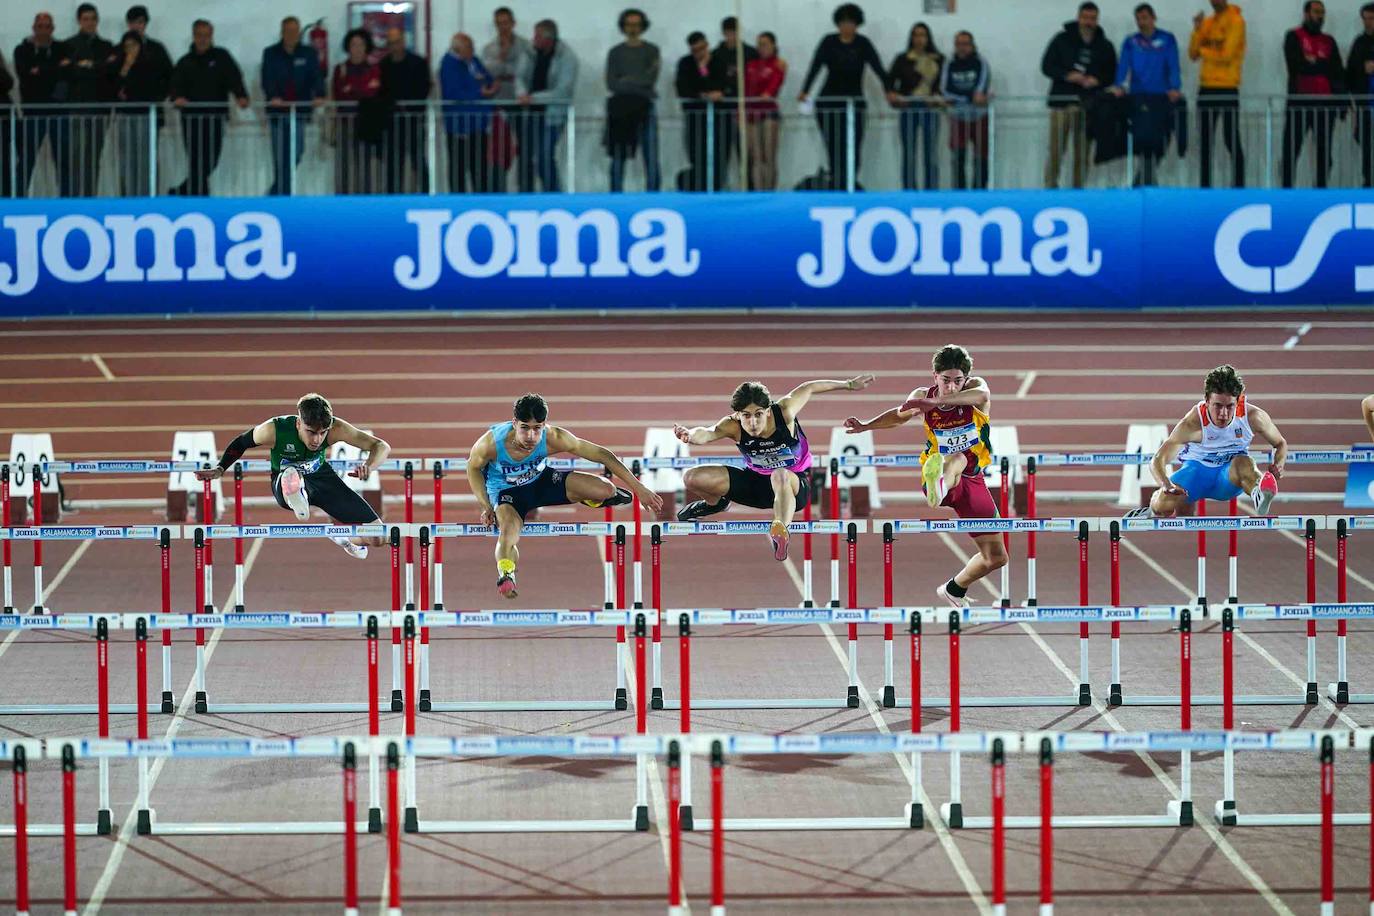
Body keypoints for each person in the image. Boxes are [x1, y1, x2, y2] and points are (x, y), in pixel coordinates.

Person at [842, 345, 1005, 609]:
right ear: (935, 376)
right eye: (945, 380)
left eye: (957, 381)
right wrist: (866, 425)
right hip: (941, 470)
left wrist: (935, 403)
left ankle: (954, 589)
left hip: (973, 480)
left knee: (996, 557)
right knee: (956, 458)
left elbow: (982, 393)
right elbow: (898, 415)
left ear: (966, 379)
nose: (952, 386)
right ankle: (937, 486)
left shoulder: (976, 390)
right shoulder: (921, 395)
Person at [466, 394, 662, 598]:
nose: (531, 437)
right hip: (507, 493)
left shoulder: (555, 437)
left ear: (545, 425)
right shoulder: (491, 443)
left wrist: (639, 488)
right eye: (525, 428)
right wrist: (486, 505)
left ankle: (591, 498)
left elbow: (602, 454)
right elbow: (472, 469)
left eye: (537, 429)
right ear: (514, 423)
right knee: (508, 530)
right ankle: (506, 574)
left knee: (606, 490)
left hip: (541, 481)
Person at [673, 374, 875, 561]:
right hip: (755, 485)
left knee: (779, 475)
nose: (752, 422)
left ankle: (780, 529)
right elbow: (708, 433)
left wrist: (848, 384)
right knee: (691, 477)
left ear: (768, 410)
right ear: (738, 415)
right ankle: (715, 504)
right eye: (746, 416)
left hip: (794, 487)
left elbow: (809, 387)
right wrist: (690, 436)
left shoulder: (784, 412)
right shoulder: (732, 425)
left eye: (758, 414)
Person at [195, 393, 391, 559]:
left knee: (378, 537)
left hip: (322, 478)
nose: (317, 439)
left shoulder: (336, 428)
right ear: (298, 423)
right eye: (311, 432)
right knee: (291, 475)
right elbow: (241, 442)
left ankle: (343, 537)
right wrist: (221, 468)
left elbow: (381, 446)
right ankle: (297, 492)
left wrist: (369, 466)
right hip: (283, 481)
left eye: (323, 433)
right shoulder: (274, 429)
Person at [1127, 365, 1284, 520]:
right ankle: (1153, 508)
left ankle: (1259, 493)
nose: (1223, 413)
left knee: (1245, 462)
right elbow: (1158, 459)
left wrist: (1278, 464)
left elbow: (1280, 444)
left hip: (1229, 478)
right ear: (1207, 400)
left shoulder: (1253, 417)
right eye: (1218, 406)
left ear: (1239, 400)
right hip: (1195, 476)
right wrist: (1166, 484)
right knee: (1164, 505)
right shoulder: (1193, 423)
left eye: (1230, 406)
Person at [798, 3, 887, 190]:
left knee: (854, 147)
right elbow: (816, 66)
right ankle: (837, 184)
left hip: (855, 103)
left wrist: (889, 89)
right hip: (828, 103)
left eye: (851, 23)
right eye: (843, 23)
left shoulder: (863, 43)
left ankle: (850, 184)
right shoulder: (828, 41)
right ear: (838, 24)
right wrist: (805, 90)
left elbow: (877, 67)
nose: (847, 27)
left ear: (857, 24)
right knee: (834, 147)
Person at [1040, 1, 1116, 189]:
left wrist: (1097, 81)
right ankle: (1050, 188)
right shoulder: (1061, 39)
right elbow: (1047, 66)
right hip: (1061, 104)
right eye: (1085, 18)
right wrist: (1067, 75)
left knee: (1083, 153)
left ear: (1097, 20)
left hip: (1089, 106)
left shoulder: (1105, 45)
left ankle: (1079, 191)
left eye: (1092, 19)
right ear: (1078, 18)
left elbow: (1112, 73)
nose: (1088, 22)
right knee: (1056, 150)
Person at [170, 20, 249, 196]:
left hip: (216, 117)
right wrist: (177, 97)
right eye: (199, 35)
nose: (203, 39)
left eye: (206, 35)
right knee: (196, 161)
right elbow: (175, 85)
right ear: (194, 36)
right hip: (191, 119)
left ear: (212, 36)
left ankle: (183, 190)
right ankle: (200, 196)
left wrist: (241, 96)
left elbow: (234, 78)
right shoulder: (185, 61)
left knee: (211, 160)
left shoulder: (222, 57)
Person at [1109, 3, 1181, 186]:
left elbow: (1173, 64)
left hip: (1162, 96)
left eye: (1145, 18)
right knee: (1144, 139)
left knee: (1163, 139)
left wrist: (1175, 86)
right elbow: (1123, 65)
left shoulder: (1167, 39)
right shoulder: (1131, 41)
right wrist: (1119, 85)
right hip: (1139, 96)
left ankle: (1142, 179)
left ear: (1153, 18)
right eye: (1139, 19)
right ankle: (1146, 181)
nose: (1142, 22)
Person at [1282, 0, 1344, 189]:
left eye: (1322, 13)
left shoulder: (1329, 41)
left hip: (1325, 106)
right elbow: (1295, 65)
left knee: (1324, 154)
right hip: (1299, 103)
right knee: (1291, 151)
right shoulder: (1293, 36)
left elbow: (1337, 71)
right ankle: (1286, 192)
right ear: (1306, 13)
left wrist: (1313, 62)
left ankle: (1321, 191)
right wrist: (1321, 65)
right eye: (1316, 12)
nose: (1320, 16)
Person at [112, 5, 171, 197]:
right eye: (133, 22)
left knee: (147, 157)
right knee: (127, 158)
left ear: (145, 24)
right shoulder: (119, 49)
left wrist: (156, 98)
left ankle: (149, 195)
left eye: (140, 22)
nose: (136, 26)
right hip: (125, 112)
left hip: (148, 111)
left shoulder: (156, 49)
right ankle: (128, 197)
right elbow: (110, 77)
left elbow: (169, 77)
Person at [262, 15, 324, 196]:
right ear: (282, 33)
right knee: (280, 157)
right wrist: (273, 96)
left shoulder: (308, 53)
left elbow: (316, 77)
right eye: (288, 31)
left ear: (299, 33)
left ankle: (276, 193)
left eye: (295, 31)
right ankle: (282, 194)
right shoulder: (271, 53)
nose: (291, 34)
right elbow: (267, 78)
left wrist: (320, 94)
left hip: (299, 112)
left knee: (297, 152)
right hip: (278, 113)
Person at [61, 3, 117, 197]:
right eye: (85, 19)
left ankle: (90, 197)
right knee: (74, 157)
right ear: (79, 21)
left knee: (94, 157)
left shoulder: (106, 46)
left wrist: (86, 67)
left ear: (97, 20)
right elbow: (67, 72)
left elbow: (109, 72)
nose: (90, 23)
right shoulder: (67, 45)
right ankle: (74, 198)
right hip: (75, 108)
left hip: (99, 109)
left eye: (93, 18)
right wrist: (95, 68)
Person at [515, 19, 577, 192]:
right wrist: (521, 93)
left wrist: (533, 98)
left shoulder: (568, 58)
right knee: (526, 156)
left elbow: (562, 91)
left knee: (544, 156)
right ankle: (526, 195)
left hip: (553, 115)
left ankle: (553, 195)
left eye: (537, 35)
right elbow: (519, 76)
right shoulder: (529, 52)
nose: (533, 39)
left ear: (549, 39)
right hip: (530, 114)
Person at [1189, 0, 1246, 188]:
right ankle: (1205, 186)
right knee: (1205, 141)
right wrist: (1197, 30)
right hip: (1206, 87)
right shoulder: (1207, 23)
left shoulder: (1236, 21)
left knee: (1231, 138)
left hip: (1227, 87)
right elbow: (1192, 53)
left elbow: (1226, 55)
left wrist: (1205, 48)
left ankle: (1239, 186)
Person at [605, 8, 662, 192]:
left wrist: (627, 79)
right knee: (618, 156)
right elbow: (612, 83)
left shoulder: (652, 50)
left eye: (636, 24)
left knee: (650, 155)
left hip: (645, 107)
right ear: (623, 26)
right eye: (629, 24)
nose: (633, 29)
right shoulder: (615, 52)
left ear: (643, 26)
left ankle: (653, 196)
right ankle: (615, 195)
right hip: (620, 109)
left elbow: (650, 79)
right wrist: (637, 81)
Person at [887, 22, 943, 191]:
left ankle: (931, 192)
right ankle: (909, 191)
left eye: (923, 35)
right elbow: (889, 81)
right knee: (909, 153)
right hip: (909, 106)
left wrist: (938, 97)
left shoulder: (939, 59)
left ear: (928, 38)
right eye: (916, 35)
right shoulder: (902, 59)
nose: (919, 39)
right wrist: (894, 95)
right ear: (911, 38)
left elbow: (943, 84)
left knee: (930, 153)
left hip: (930, 107)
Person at [480, 6, 531, 192]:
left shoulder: (526, 46)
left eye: (506, 23)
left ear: (513, 23)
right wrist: (502, 60)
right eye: (499, 24)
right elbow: (487, 72)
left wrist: (503, 71)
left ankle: (525, 189)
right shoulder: (489, 49)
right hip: (498, 103)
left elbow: (523, 72)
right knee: (498, 150)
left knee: (524, 147)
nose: (503, 27)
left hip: (520, 102)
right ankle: (497, 188)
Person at [14, 13, 64, 197]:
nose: (43, 30)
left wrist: (40, 70)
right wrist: (54, 69)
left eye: (47, 26)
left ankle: (67, 200)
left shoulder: (62, 48)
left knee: (63, 160)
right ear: (34, 28)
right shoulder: (22, 50)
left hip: (59, 112)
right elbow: (25, 76)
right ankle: (18, 198)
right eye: (40, 26)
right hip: (32, 112)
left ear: (53, 29)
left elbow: (66, 73)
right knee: (26, 160)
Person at [331, 28, 386, 195]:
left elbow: (373, 92)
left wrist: (352, 89)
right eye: (353, 45)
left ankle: (366, 200)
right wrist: (362, 88)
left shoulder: (374, 69)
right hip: (345, 122)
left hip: (366, 123)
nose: (357, 48)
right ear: (348, 47)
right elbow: (340, 93)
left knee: (366, 164)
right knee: (344, 164)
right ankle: (343, 200)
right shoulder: (340, 69)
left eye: (361, 44)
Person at [440, 32, 496, 192]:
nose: (473, 50)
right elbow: (453, 93)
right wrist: (479, 93)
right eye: (469, 47)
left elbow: (487, 78)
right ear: (458, 49)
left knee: (480, 168)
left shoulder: (474, 61)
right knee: (458, 168)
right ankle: (458, 203)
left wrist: (491, 86)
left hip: (478, 124)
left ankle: (482, 202)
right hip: (459, 127)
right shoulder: (448, 65)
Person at [380, 27, 432, 193]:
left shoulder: (418, 62)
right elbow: (381, 92)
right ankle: (392, 200)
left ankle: (426, 197)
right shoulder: (383, 65)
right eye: (391, 43)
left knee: (418, 160)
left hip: (414, 120)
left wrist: (409, 106)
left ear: (403, 42)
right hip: (391, 121)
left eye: (397, 42)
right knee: (393, 163)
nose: (394, 46)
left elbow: (424, 88)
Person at [675, 30, 728, 191]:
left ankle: (717, 187)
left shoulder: (719, 61)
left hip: (718, 117)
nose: (699, 53)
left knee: (718, 154)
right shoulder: (685, 64)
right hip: (695, 116)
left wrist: (707, 80)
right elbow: (683, 89)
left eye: (702, 48)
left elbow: (722, 85)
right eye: (695, 50)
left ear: (707, 46)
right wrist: (702, 73)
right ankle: (699, 187)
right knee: (696, 153)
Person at [711, 16, 758, 188]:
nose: (731, 35)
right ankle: (718, 188)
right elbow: (710, 77)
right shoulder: (716, 55)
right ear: (724, 33)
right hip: (722, 110)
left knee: (746, 153)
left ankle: (749, 188)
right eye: (728, 32)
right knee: (721, 152)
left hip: (744, 110)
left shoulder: (749, 53)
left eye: (734, 32)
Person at [941, 30, 990, 190]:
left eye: (965, 44)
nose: (962, 48)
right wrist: (969, 98)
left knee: (981, 158)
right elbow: (945, 91)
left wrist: (963, 97)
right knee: (958, 158)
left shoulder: (981, 63)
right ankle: (959, 194)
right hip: (957, 117)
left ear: (972, 45)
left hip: (979, 116)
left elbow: (980, 89)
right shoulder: (949, 64)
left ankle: (980, 192)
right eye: (958, 44)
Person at [744, 31, 786, 190]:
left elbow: (774, 86)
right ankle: (758, 190)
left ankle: (770, 190)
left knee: (769, 156)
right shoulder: (751, 65)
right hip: (752, 114)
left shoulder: (778, 64)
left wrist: (767, 94)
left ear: (773, 45)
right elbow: (746, 89)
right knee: (756, 157)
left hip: (769, 113)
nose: (761, 48)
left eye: (765, 44)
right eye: (759, 45)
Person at [1347, 3, 1374, 187]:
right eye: (1366, 19)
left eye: (1372, 18)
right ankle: (1368, 183)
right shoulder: (1359, 42)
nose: (1369, 23)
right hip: (1366, 105)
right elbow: (1350, 71)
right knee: (1367, 148)